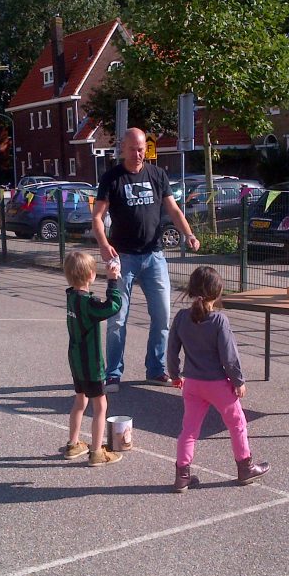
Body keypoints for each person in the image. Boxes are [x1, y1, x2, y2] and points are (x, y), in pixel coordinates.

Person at [92, 127, 201, 393]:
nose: (138, 154)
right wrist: (104, 245)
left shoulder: (157, 174)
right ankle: (114, 374)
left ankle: (155, 369)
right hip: (123, 257)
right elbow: (97, 218)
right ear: (123, 149)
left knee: (162, 315)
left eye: (142, 149)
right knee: (117, 318)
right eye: (133, 149)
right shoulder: (112, 178)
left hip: (154, 255)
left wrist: (188, 233)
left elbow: (173, 209)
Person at [167, 266, 270, 492]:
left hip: (192, 384)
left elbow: (172, 349)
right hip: (218, 385)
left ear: (191, 290)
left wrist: (174, 375)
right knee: (237, 424)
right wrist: (238, 381)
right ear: (218, 291)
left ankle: (182, 475)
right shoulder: (219, 320)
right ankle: (245, 467)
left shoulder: (182, 317)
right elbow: (229, 357)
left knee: (189, 429)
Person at [63, 250, 124, 466]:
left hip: (76, 361)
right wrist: (113, 280)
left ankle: (73, 444)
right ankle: (97, 452)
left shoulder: (71, 297)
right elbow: (113, 306)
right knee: (101, 406)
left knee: (80, 400)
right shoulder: (89, 303)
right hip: (91, 363)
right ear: (91, 275)